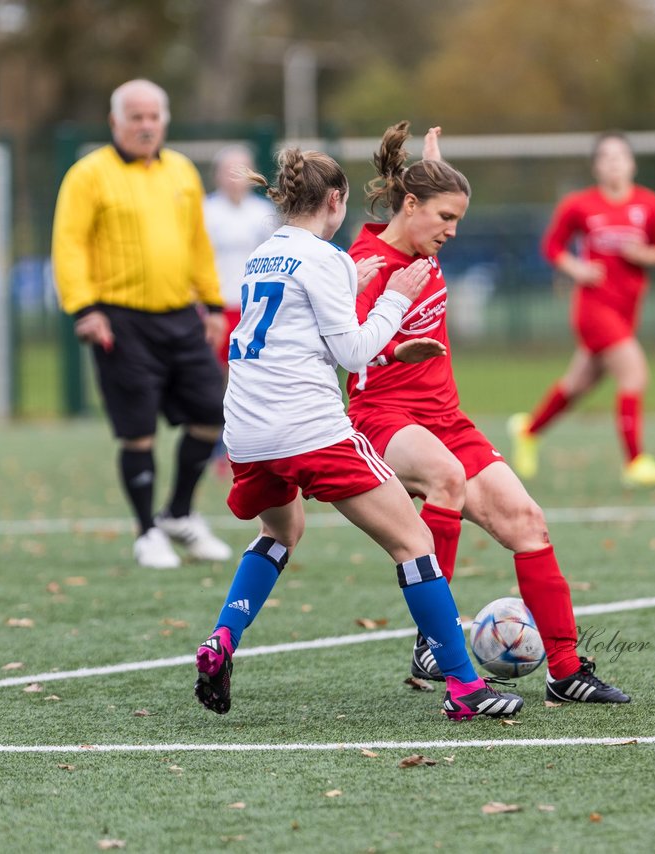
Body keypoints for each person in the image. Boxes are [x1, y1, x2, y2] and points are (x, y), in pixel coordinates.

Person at [194, 146, 524, 721]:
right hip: (307, 429)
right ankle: (466, 690)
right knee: (414, 544)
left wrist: (358, 280)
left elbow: (297, 327)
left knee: (282, 529)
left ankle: (222, 639)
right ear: (336, 200)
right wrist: (396, 296)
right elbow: (354, 353)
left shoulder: (263, 256)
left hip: (246, 431)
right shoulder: (324, 258)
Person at [346, 121, 629, 704]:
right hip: (383, 415)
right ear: (411, 205)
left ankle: (566, 672)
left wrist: (434, 163)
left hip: (447, 418)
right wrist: (397, 348)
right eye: (445, 218)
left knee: (529, 524)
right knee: (445, 476)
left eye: (459, 221)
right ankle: (435, 639)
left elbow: (427, 198)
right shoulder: (367, 261)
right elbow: (346, 344)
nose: (451, 232)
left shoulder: (422, 237)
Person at [52, 79, 232, 569]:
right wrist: (84, 309)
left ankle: (178, 514)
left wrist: (213, 305)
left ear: (165, 121)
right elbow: (68, 244)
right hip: (119, 320)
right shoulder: (88, 175)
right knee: (139, 431)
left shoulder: (181, 171)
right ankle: (146, 531)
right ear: (115, 122)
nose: (146, 124)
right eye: (136, 116)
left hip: (180, 316)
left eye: (154, 116)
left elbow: (197, 242)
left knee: (210, 415)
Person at [508, 132, 655, 488]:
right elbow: (552, 247)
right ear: (597, 166)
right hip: (593, 308)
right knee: (634, 373)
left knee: (579, 384)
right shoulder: (579, 204)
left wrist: (641, 254)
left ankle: (529, 431)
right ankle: (634, 462)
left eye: (620, 157)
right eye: (606, 157)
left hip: (627, 308)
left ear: (632, 163)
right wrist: (578, 269)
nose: (614, 163)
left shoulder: (650, 204)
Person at [203, 144, 278, 366]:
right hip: (216, 304)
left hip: (253, 306)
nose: (234, 177)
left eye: (241, 170)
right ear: (217, 174)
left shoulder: (264, 212)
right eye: (229, 170)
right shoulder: (205, 210)